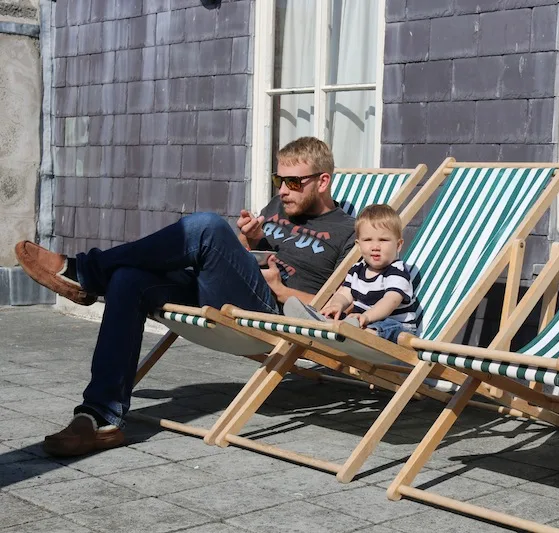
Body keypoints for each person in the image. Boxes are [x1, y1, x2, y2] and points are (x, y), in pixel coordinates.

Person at [14, 137, 355, 457]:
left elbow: (336, 305)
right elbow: (248, 260)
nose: (283, 191)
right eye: (277, 180)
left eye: (293, 183)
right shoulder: (280, 206)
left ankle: (85, 273)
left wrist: (281, 290)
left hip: (269, 310)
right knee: (128, 278)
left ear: (322, 182)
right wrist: (250, 242)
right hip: (224, 290)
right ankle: (100, 418)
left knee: (206, 225)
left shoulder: (349, 232)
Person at [284, 204, 418, 343]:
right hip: (362, 323)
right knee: (342, 319)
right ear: (359, 245)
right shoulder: (358, 269)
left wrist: (367, 316)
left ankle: (346, 332)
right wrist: (336, 305)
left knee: (388, 327)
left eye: (383, 240)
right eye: (367, 240)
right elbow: (344, 293)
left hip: (396, 327)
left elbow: (390, 301)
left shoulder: (396, 271)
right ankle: (323, 323)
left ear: (398, 245)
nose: (375, 247)